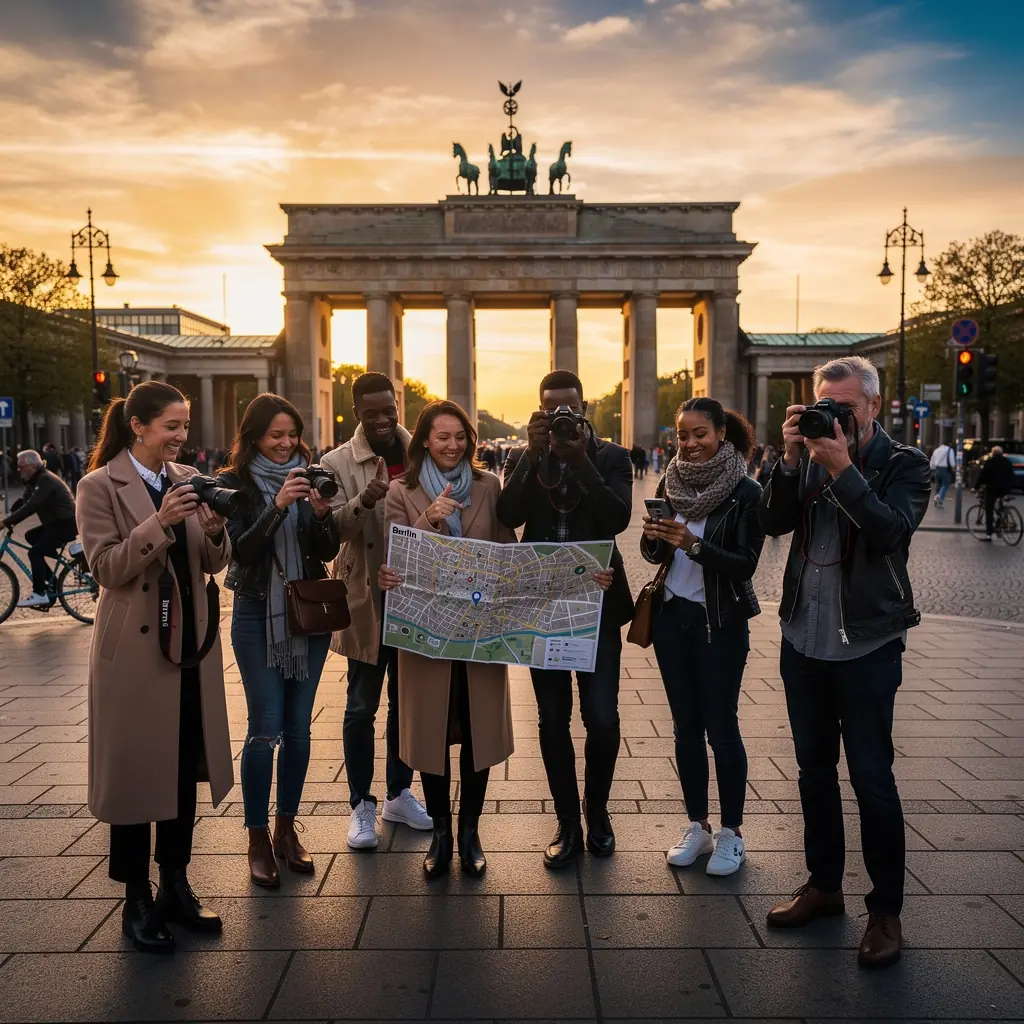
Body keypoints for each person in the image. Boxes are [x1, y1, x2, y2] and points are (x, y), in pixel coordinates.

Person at [758, 356, 930, 970]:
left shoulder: (904, 465)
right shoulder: (804, 456)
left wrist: (843, 468)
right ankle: (824, 886)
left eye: (847, 407)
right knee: (812, 772)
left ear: (874, 407)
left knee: (872, 780)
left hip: (866, 645)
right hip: (802, 637)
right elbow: (772, 523)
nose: (834, 417)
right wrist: (786, 460)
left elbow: (891, 533)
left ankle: (886, 911)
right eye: (823, 405)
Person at [75, 381, 234, 954]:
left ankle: (175, 882)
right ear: (137, 426)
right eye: (171, 425)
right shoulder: (98, 485)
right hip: (135, 657)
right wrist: (160, 521)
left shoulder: (185, 481)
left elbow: (209, 563)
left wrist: (215, 534)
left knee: (179, 764)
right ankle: (135, 900)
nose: (181, 436)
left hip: (188, 646)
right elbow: (107, 567)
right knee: (136, 773)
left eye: (186, 426)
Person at [497, 370, 633, 868]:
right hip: (543, 607)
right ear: (539, 409)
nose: (560, 418)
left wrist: (578, 456)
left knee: (601, 715)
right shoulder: (527, 456)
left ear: (585, 407)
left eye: (569, 409)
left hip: (596, 607)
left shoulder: (612, 457)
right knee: (552, 717)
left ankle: (597, 812)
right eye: (551, 409)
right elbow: (509, 513)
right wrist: (534, 456)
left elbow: (616, 518)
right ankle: (566, 822)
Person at [378, 399, 517, 878]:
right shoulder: (402, 490)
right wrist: (430, 519)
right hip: (426, 635)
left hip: (478, 632)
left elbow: (508, 551)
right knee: (432, 731)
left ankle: (470, 832)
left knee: (478, 729)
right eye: (442, 437)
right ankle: (440, 832)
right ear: (424, 442)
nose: (453, 446)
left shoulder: (488, 486)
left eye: (460, 437)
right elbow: (395, 558)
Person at [218, 394, 341, 888]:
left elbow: (327, 551)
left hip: (307, 617)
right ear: (254, 437)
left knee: (299, 728)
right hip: (256, 616)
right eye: (276, 436)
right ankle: (256, 838)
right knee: (264, 728)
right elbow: (242, 553)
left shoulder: (310, 473)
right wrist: (277, 506)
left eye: (292, 434)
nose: (286, 443)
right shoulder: (233, 485)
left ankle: (287, 829)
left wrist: (320, 512)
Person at [641, 399, 765, 877]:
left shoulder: (746, 492)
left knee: (722, 727)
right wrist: (655, 536)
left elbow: (745, 565)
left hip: (721, 622)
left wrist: (692, 543)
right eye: (683, 436)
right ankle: (698, 825)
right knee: (685, 729)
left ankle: (732, 833)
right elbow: (653, 554)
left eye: (700, 435)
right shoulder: (670, 482)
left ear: (721, 434)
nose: (690, 445)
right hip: (673, 620)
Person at [319, 372, 432, 849]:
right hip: (367, 596)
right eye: (372, 413)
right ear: (356, 413)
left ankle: (399, 792)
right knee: (361, 704)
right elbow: (330, 533)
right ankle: (360, 803)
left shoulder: (422, 455)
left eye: (389, 410)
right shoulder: (335, 462)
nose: (383, 420)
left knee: (405, 703)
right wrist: (364, 502)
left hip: (415, 597)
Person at [2, 449, 78, 608]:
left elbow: (32, 506)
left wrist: (6, 522)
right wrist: (8, 519)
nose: (18, 470)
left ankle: (39, 594)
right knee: (31, 537)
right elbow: (24, 502)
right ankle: (52, 582)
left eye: (21, 466)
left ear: (31, 466)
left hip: (67, 525)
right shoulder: (35, 480)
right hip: (55, 524)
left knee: (35, 552)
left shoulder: (45, 480)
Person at [975, 446, 1015, 540]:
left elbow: (983, 476)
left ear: (993, 453)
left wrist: (976, 487)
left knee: (989, 510)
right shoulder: (1007, 462)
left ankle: (989, 534)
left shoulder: (990, 463)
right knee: (1000, 508)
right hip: (1004, 489)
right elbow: (1011, 475)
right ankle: (999, 524)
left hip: (992, 489)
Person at [929, 440, 955, 509]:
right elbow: (952, 462)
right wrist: (954, 469)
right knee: (945, 485)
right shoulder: (950, 450)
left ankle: (938, 500)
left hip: (937, 470)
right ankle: (938, 498)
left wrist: (932, 468)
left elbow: (932, 461)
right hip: (945, 470)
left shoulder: (936, 450)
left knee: (938, 486)